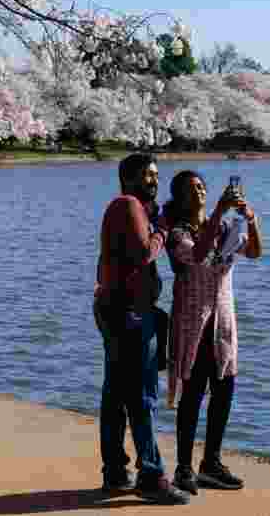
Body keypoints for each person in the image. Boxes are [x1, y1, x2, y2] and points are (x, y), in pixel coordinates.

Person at [93, 153, 190, 505]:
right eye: (147, 175)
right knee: (141, 395)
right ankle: (150, 474)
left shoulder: (127, 208)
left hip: (117, 309)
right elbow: (142, 252)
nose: (154, 180)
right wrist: (162, 230)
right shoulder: (127, 204)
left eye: (156, 175)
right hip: (128, 314)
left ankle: (116, 471)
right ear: (128, 177)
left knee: (117, 395)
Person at [162, 170, 263, 495]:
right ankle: (183, 468)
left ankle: (211, 463)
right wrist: (219, 209)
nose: (200, 192)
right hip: (193, 322)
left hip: (222, 318)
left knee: (224, 389)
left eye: (202, 186)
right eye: (192, 189)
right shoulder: (177, 233)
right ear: (179, 198)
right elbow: (200, 254)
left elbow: (254, 252)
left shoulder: (222, 228)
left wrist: (251, 219)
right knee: (192, 395)